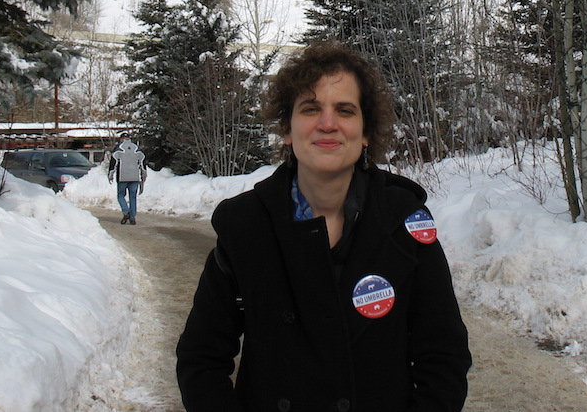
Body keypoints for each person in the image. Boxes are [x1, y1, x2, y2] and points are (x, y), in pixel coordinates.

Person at [176, 41, 471, 412]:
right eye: (311, 108)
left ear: (365, 132)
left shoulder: (404, 225)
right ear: (287, 128)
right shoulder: (246, 226)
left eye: (344, 110)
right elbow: (201, 359)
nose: (327, 124)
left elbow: (443, 359)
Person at [108, 131, 147, 225]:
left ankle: (126, 212)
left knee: (121, 195)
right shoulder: (137, 148)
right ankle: (132, 218)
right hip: (134, 177)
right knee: (133, 197)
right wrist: (143, 175)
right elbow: (142, 162)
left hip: (122, 176)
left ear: (121, 139)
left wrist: (110, 174)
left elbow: (113, 163)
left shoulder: (118, 149)